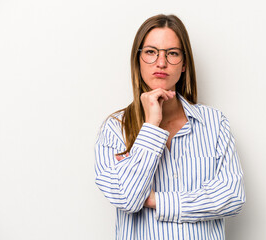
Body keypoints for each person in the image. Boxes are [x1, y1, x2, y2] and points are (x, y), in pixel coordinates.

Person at [95, 14, 245, 239]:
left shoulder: (215, 123)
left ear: (184, 64)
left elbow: (232, 196)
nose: (161, 62)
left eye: (172, 53)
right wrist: (151, 125)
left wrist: (158, 201)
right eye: (150, 52)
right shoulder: (115, 129)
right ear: (138, 59)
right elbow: (127, 198)